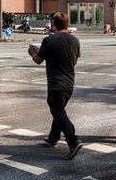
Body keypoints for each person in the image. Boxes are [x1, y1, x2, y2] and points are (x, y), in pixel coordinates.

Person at [28, 11, 82, 160]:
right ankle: (53, 139)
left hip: (55, 84)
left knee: (57, 111)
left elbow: (38, 60)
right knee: (59, 110)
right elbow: (74, 61)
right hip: (69, 83)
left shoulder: (49, 41)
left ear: (54, 25)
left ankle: (73, 141)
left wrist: (31, 52)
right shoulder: (75, 41)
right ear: (67, 24)